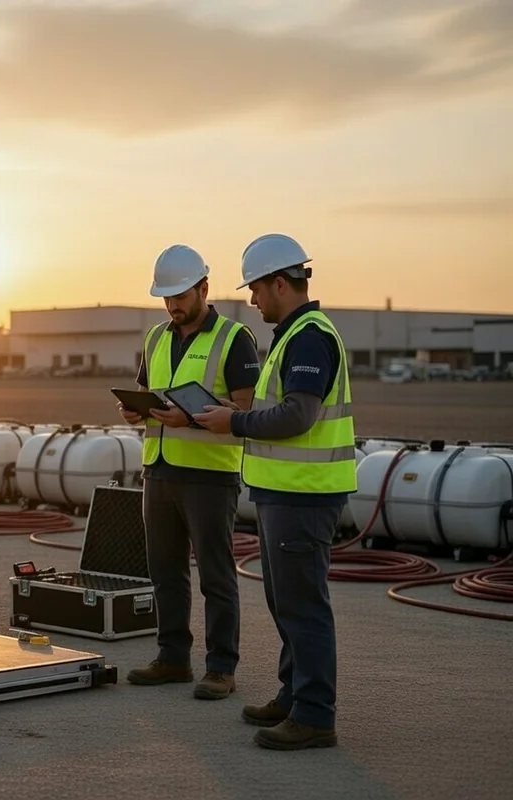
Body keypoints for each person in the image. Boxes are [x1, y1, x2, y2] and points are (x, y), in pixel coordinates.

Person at [194, 233, 356, 751]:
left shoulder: (309, 336)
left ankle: (314, 715)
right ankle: (294, 695)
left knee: (303, 606)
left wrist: (233, 422)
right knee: (286, 602)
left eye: (257, 289)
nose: (252, 299)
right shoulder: (293, 334)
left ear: (280, 283)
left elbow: (299, 415)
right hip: (283, 494)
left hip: (304, 497)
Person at [117, 244, 260, 702]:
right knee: (165, 571)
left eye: (180, 295)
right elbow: (145, 392)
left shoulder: (235, 337)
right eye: (166, 297)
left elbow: (246, 408)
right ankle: (173, 658)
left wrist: (192, 419)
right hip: (157, 471)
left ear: (203, 288)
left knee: (216, 575)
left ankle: (221, 668)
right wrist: (134, 411)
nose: (173, 305)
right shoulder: (155, 338)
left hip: (209, 475)